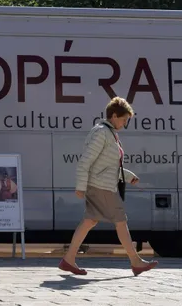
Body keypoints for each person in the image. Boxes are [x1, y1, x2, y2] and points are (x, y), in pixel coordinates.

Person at [59, 96, 158, 276]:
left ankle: (69, 259)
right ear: (114, 116)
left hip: (100, 184)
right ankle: (135, 261)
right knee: (120, 221)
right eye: (124, 120)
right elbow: (85, 161)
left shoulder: (109, 133)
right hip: (101, 187)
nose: (124, 124)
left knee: (89, 221)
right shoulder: (102, 133)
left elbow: (107, 166)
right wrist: (80, 187)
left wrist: (128, 176)